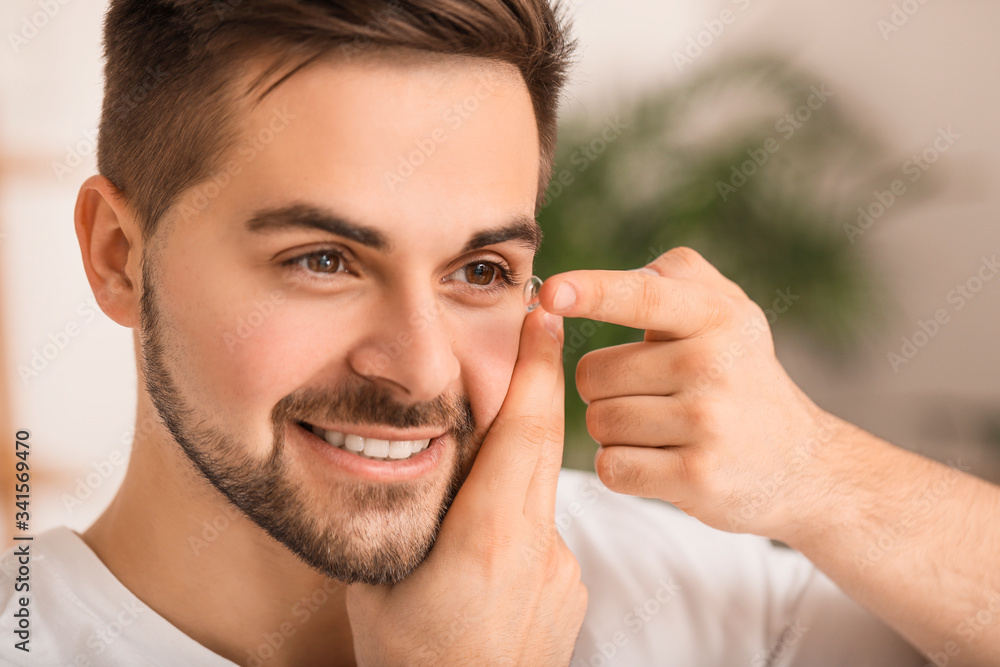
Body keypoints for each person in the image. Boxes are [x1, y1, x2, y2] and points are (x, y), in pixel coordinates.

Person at [1, 1, 997, 665]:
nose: (421, 365)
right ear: (118, 257)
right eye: (324, 259)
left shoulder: (659, 578)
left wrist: (818, 471)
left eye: (479, 272)